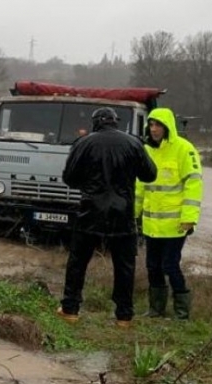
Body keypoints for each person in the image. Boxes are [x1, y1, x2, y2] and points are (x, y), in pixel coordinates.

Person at [58, 106, 157, 327]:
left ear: (95, 123)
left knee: (78, 262)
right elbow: (150, 175)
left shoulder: (83, 143)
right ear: (115, 121)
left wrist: (89, 185)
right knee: (124, 266)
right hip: (123, 212)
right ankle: (124, 316)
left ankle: (70, 309)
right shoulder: (133, 143)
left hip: (90, 211)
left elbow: (69, 178)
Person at [135, 107, 203, 320]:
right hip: (151, 224)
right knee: (152, 266)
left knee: (170, 265)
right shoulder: (147, 150)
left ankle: (182, 312)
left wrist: (189, 218)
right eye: (151, 125)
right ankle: (156, 309)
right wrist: (133, 214)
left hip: (175, 225)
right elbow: (140, 186)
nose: (154, 129)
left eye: (158, 125)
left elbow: (194, 185)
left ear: (167, 127)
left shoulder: (184, 149)